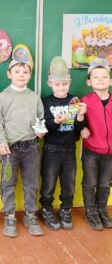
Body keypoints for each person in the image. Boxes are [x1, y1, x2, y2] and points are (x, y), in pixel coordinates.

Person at [0, 53, 46, 238]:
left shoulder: (34, 97)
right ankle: (9, 216)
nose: (21, 75)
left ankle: (30, 215)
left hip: (32, 147)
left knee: (31, 183)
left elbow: (40, 119)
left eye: (25, 72)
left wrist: (41, 130)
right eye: (17, 71)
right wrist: (1, 142)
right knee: (8, 183)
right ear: (9, 74)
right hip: (10, 149)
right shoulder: (2, 97)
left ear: (30, 75)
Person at [40, 57, 86, 230]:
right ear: (50, 84)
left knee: (69, 183)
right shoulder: (46, 102)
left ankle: (66, 209)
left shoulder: (74, 100)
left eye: (65, 84)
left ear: (70, 82)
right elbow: (45, 126)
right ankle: (46, 208)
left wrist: (80, 116)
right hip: (51, 149)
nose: (61, 87)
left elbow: (79, 127)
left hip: (70, 149)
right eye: (57, 84)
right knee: (49, 182)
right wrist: (56, 122)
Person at [80, 58, 112, 231]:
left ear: (110, 81)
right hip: (91, 150)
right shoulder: (85, 101)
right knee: (90, 182)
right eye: (96, 77)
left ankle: (102, 210)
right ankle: (91, 212)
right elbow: (80, 123)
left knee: (105, 183)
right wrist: (82, 129)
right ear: (89, 81)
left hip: (110, 152)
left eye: (104, 76)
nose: (100, 79)